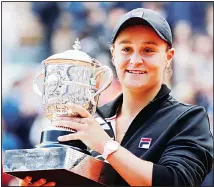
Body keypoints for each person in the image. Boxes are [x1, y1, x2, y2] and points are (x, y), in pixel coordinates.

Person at [19, 8, 213, 186]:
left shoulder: (188, 119)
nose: (136, 60)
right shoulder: (91, 120)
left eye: (148, 50)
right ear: (113, 55)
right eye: (126, 49)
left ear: (168, 57)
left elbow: (177, 181)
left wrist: (106, 146)